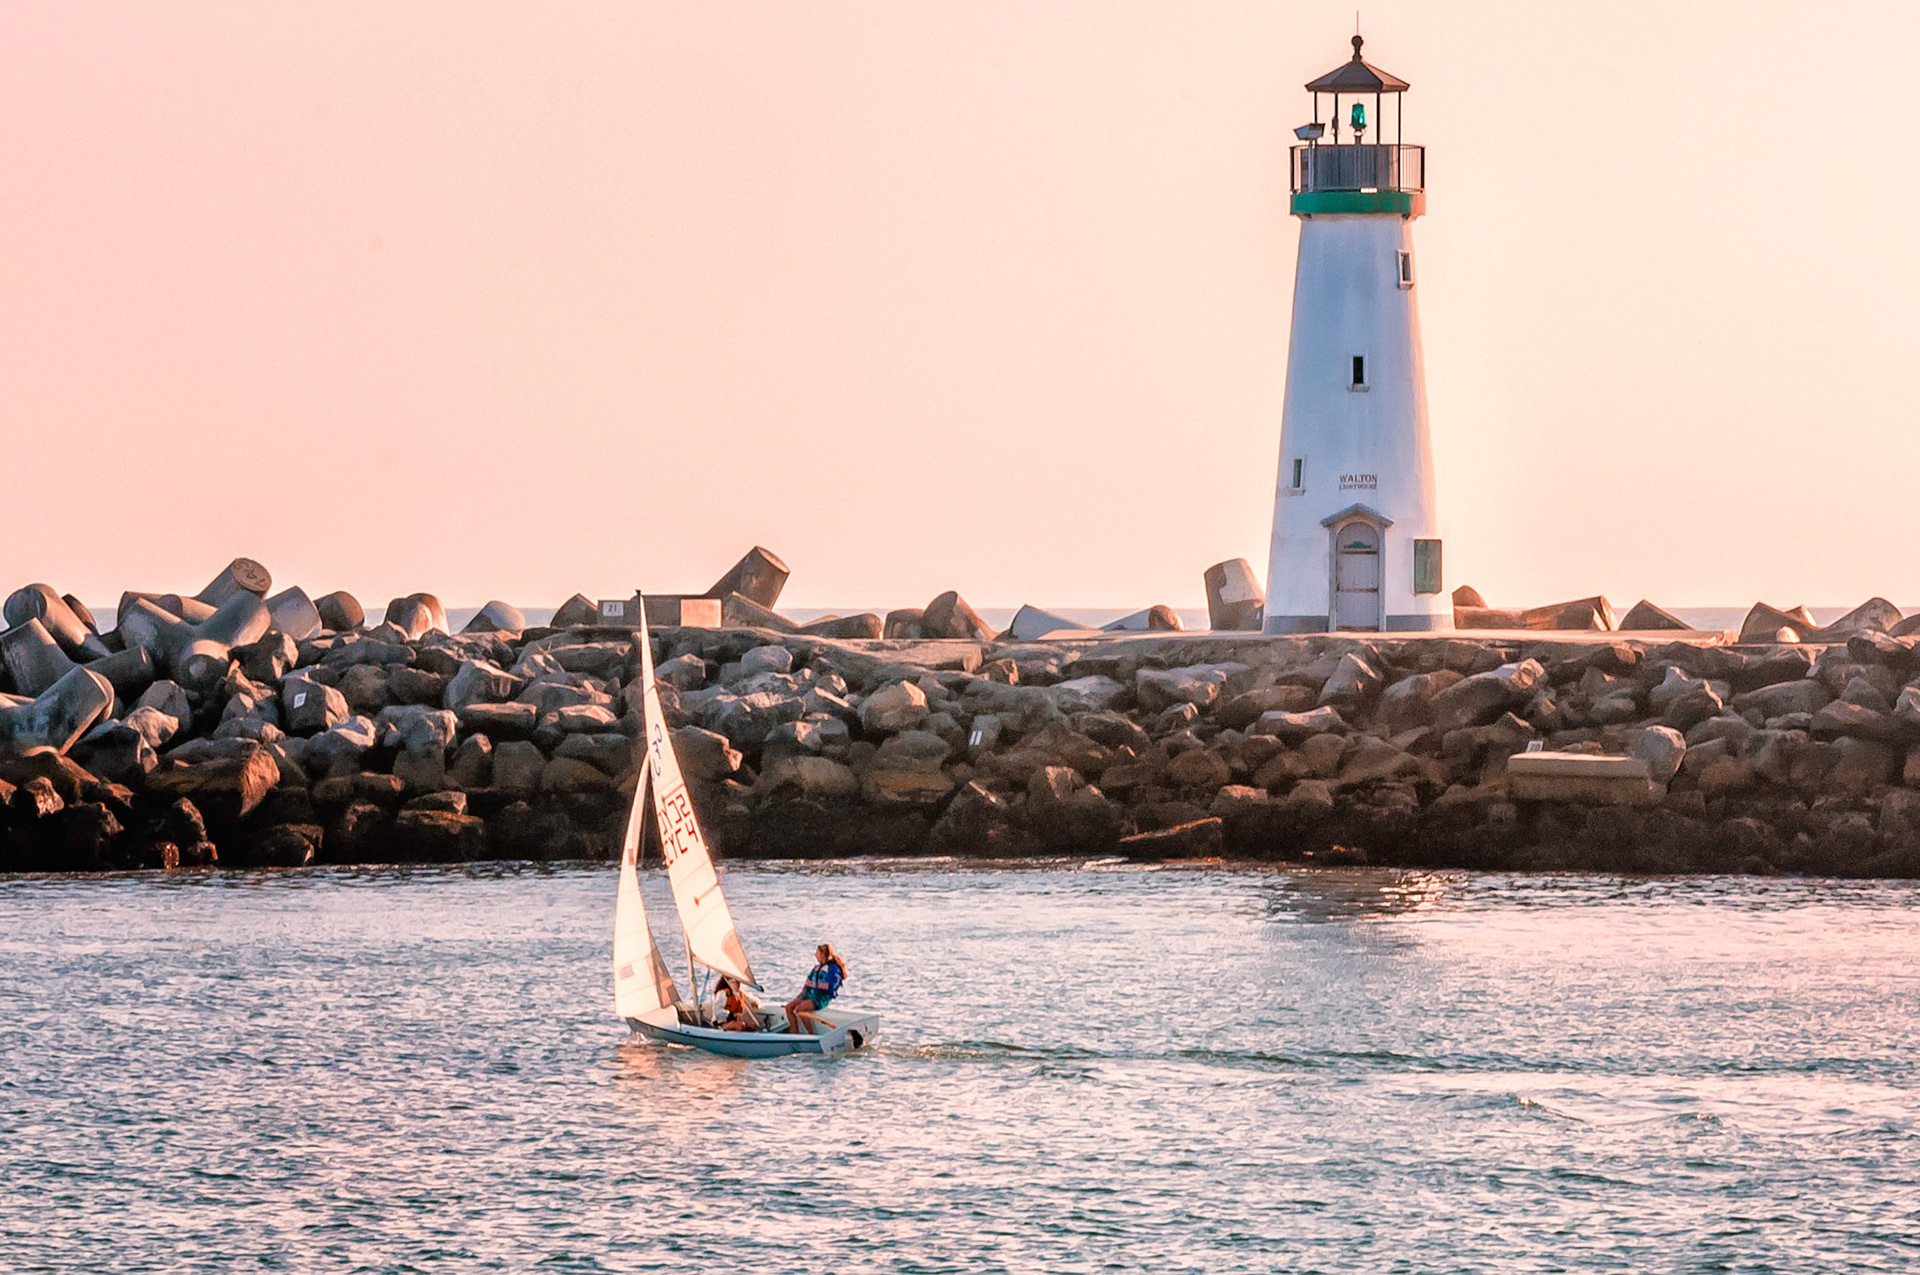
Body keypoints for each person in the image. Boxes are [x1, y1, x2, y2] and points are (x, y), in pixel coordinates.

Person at [783, 943, 847, 1035]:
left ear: (822, 954)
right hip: (808, 995)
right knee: (789, 1007)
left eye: (817, 953)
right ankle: (794, 1033)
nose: (815, 955)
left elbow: (830, 986)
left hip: (820, 998)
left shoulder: (833, 969)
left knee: (799, 1009)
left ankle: (810, 1033)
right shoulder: (816, 968)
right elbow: (807, 983)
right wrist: (800, 996)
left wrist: (814, 985)